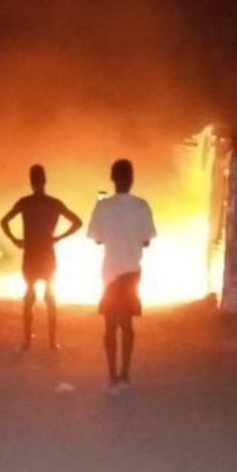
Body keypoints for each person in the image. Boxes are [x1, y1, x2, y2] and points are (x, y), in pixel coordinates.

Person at [87, 159, 156, 395]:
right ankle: (125, 374)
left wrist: (102, 211)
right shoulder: (141, 206)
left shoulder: (102, 206)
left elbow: (97, 240)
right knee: (127, 325)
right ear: (132, 179)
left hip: (110, 273)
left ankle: (112, 376)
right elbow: (147, 241)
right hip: (132, 272)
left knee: (110, 325)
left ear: (112, 179)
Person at [0, 164, 82, 351]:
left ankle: (27, 341)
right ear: (45, 181)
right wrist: (58, 237)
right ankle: (52, 342)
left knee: (29, 296)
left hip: (30, 254)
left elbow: (4, 221)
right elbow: (77, 222)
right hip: (47, 253)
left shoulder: (25, 202)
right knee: (50, 296)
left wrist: (15, 240)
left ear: (31, 182)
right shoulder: (54, 203)